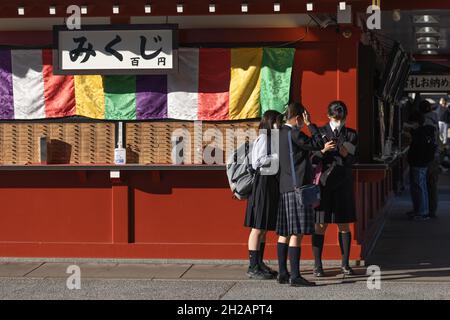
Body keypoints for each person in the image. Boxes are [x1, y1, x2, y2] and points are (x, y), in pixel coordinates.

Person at [276, 102, 324, 287]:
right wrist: (311, 124)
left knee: (284, 233)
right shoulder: (295, 133)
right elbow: (318, 144)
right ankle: (295, 276)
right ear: (298, 118)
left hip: (284, 186)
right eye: (302, 119)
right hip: (298, 188)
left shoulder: (278, 133)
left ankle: (282, 273)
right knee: (297, 233)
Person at [311, 101, 358, 277]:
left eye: (342, 117)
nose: (339, 121)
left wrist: (347, 156)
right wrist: (323, 150)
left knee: (344, 224)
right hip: (323, 183)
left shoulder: (351, 134)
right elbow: (311, 158)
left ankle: (345, 264)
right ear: (328, 116)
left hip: (343, 182)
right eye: (336, 117)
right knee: (320, 224)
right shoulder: (320, 133)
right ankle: (317, 265)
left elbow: (354, 160)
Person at [244, 110, 281, 279]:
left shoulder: (273, 139)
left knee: (264, 227)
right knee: (258, 227)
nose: (279, 125)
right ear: (270, 122)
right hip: (262, 182)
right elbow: (257, 161)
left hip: (271, 182)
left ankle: (260, 262)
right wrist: (277, 157)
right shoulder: (263, 138)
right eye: (277, 122)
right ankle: (252, 266)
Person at [407, 105, 437, 221]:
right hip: (423, 163)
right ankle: (419, 210)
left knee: (420, 187)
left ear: (416, 122)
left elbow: (417, 149)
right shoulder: (425, 132)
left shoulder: (420, 134)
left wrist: (413, 160)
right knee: (420, 187)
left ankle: (422, 212)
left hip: (418, 163)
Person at [421, 100, 440, 219]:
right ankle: (432, 209)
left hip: (428, 156)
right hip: (436, 155)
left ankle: (429, 210)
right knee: (432, 184)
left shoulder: (425, 122)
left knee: (427, 184)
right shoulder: (435, 119)